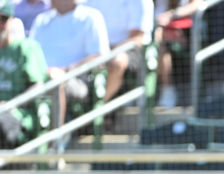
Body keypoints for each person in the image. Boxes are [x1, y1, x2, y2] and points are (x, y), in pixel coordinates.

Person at [29, 0, 110, 129]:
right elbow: (31, 53)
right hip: (42, 78)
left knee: (56, 81)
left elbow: (99, 56)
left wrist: (66, 70)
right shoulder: (41, 20)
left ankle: (56, 140)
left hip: (79, 80)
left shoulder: (91, 16)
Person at [83, 0, 152, 107]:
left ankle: (97, 107)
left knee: (117, 61)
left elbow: (137, 38)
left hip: (132, 50)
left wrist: (108, 52)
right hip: (98, 51)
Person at [0, 0, 48, 150]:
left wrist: (10, 105)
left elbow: (39, 86)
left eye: (3, 19)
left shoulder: (26, 48)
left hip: (18, 116)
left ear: (12, 21)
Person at [153, 0, 202, 108]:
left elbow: (197, 4)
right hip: (154, 31)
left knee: (158, 44)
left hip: (182, 31)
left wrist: (172, 14)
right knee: (154, 42)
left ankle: (168, 90)